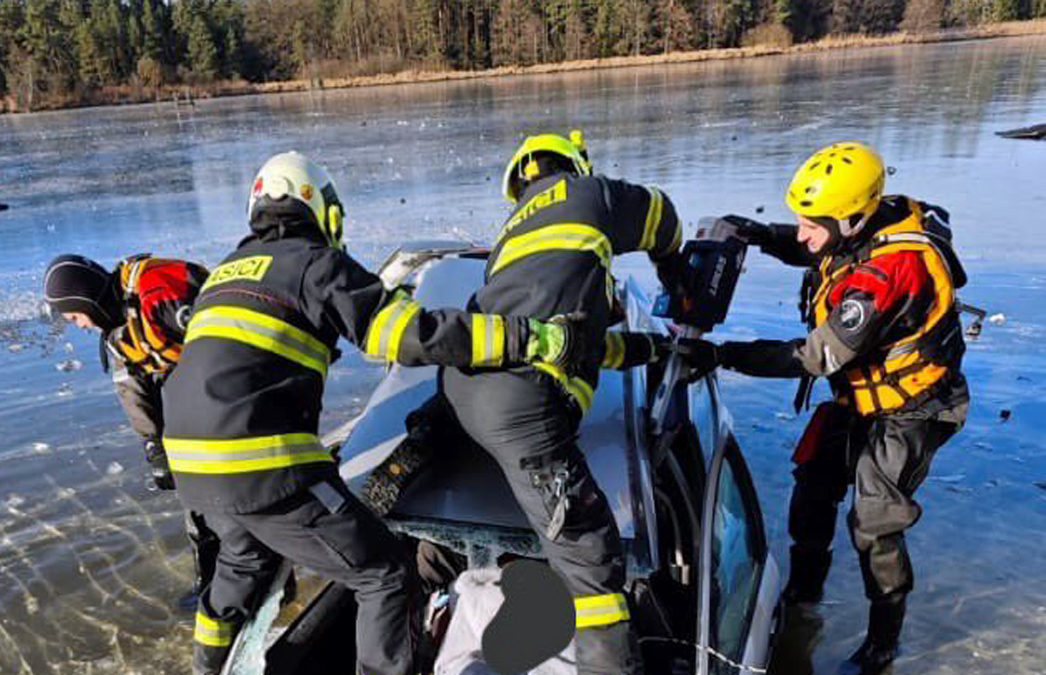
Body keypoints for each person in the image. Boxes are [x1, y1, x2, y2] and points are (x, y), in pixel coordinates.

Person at [159, 151, 605, 675]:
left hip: (190, 466)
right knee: (386, 574)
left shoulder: (222, 275)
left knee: (241, 565)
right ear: (322, 212)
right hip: (259, 461)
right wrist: (526, 337)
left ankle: (205, 666)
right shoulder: (311, 263)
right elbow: (412, 335)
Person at [689, 142, 969, 674]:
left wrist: (723, 354)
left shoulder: (892, 273)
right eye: (798, 221)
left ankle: (883, 643)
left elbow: (818, 355)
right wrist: (758, 234)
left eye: (810, 223)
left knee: (874, 523)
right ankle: (804, 595)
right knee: (812, 488)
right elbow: (822, 249)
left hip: (910, 408)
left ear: (853, 217)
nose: (802, 233)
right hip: (859, 397)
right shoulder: (866, 224)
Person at [438, 130, 689, 675]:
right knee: (593, 566)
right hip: (524, 411)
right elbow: (664, 219)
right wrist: (677, 272)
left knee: (474, 501)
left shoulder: (510, 242)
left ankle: (434, 577)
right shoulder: (590, 195)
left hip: (464, 391)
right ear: (577, 165)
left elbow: (575, 343)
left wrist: (650, 348)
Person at [43, 253, 220, 610]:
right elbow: (131, 387)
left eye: (75, 316)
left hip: (229, 389)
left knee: (233, 492)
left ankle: (251, 571)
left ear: (86, 299)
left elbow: (226, 346)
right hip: (196, 395)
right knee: (194, 496)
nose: (79, 326)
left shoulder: (158, 293)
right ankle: (211, 579)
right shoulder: (118, 331)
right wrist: (155, 444)